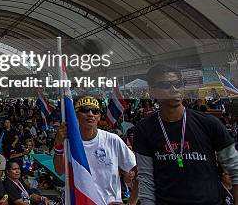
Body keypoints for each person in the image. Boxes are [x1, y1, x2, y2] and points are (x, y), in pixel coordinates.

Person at [134, 64, 238, 205]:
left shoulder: (209, 123)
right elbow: (146, 178)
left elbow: (235, 169)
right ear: (152, 92)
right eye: (165, 85)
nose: (174, 89)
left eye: (178, 84)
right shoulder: (144, 129)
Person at [53, 96, 137, 205]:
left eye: (95, 111)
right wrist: (59, 144)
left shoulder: (113, 140)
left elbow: (139, 172)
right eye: (85, 110)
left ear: (99, 117)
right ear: (75, 115)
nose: (90, 114)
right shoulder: (68, 142)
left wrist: (131, 203)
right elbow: (59, 171)